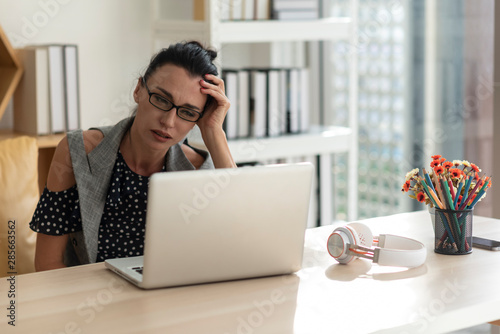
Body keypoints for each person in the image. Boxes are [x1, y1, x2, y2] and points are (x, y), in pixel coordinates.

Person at [29, 41, 236, 271]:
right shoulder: (78, 151)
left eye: (187, 112)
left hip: (170, 298)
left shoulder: (197, 169)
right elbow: (47, 263)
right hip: (90, 299)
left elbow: (243, 241)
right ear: (138, 90)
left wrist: (214, 132)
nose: (168, 122)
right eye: (161, 99)